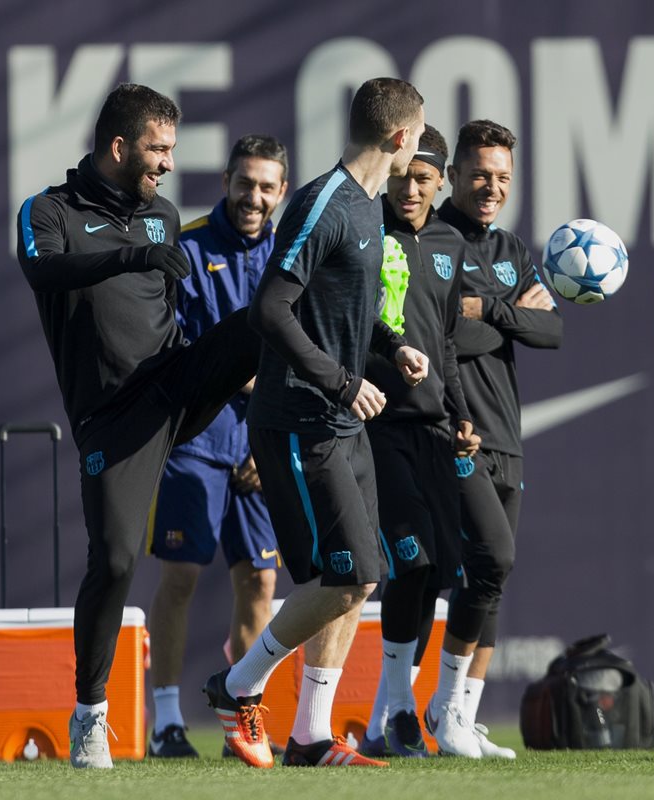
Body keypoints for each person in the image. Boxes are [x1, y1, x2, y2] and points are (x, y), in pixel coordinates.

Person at [15, 83, 262, 769]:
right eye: (158, 149)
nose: (166, 164)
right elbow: (43, 273)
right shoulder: (49, 210)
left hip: (175, 384)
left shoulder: (162, 215)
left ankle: (291, 429)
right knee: (118, 560)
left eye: (172, 151)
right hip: (112, 420)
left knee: (264, 317)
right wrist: (131, 256)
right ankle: (90, 714)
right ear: (119, 146)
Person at [201, 76, 430, 770]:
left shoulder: (367, 207)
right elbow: (272, 308)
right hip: (302, 421)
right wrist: (341, 379)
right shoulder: (326, 202)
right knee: (350, 573)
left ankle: (310, 735)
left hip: (340, 418)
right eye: (417, 135)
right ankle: (236, 685)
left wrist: (392, 346)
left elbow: (344, 310)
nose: (416, 148)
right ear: (398, 137)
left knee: (363, 577)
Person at [421, 119, 563, 759]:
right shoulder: (434, 239)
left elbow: (552, 332)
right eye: (480, 174)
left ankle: (463, 714)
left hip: (507, 430)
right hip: (458, 429)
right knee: (487, 563)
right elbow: (449, 333)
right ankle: (440, 709)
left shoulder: (510, 246)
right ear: (453, 176)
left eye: (503, 177)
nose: (492, 188)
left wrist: (494, 310)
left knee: (492, 581)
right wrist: (510, 314)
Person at [146, 135, 289, 759]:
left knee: (260, 582)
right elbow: (189, 352)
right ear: (226, 180)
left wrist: (271, 433)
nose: (253, 197)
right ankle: (167, 721)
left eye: (266, 187)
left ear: (281, 192)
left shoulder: (293, 251)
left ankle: (242, 720)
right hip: (198, 438)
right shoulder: (192, 245)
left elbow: (302, 347)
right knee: (180, 575)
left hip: (265, 443)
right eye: (245, 183)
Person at [356, 124, 480, 758]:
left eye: (423, 178)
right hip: (374, 426)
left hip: (434, 428)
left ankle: (392, 711)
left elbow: (449, 343)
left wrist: (460, 413)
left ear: (441, 182)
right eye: (401, 174)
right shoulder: (360, 232)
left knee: (436, 571)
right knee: (410, 560)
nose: (410, 188)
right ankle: (396, 707)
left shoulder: (450, 243)